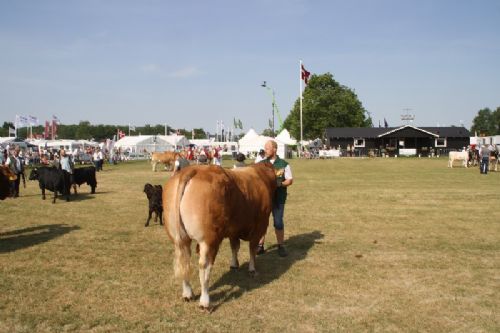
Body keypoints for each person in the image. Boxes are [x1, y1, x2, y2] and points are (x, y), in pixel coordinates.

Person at [257, 140, 293, 257]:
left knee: (278, 222)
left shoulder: (284, 164)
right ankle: (260, 246)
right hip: (263, 199)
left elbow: (289, 180)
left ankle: (281, 246)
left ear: (275, 149)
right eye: (265, 148)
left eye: (267, 148)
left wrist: (280, 184)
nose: (265, 150)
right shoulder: (260, 164)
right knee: (262, 222)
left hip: (278, 198)